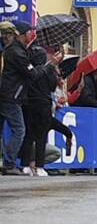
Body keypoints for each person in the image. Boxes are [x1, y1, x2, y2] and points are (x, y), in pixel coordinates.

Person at [0, 21, 62, 175]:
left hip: (10, 95)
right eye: (29, 32)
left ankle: (7, 161)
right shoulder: (16, 53)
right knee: (20, 130)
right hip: (10, 96)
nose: (31, 35)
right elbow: (32, 74)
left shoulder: (17, 51)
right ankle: (8, 163)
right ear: (21, 35)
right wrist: (49, 65)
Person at [18, 46, 58, 176]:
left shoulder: (29, 71)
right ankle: (40, 166)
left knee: (28, 136)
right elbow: (52, 87)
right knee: (41, 137)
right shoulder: (48, 71)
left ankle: (25, 165)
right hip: (43, 105)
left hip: (28, 105)